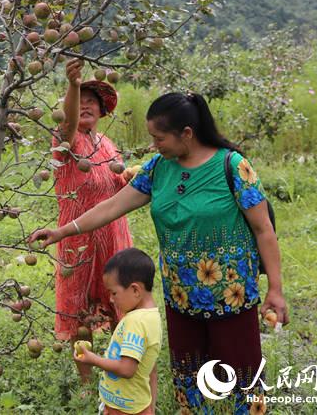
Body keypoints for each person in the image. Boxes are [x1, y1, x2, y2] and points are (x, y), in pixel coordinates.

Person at [31, 92, 287, 413]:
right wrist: (63, 231)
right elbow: (111, 206)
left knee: (240, 377)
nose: (155, 145)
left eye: (159, 138)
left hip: (231, 296)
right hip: (180, 296)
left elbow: (264, 230)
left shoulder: (233, 167)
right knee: (188, 378)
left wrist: (275, 289)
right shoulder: (158, 168)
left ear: (187, 134)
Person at [50, 59, 136, 383]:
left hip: (113, 237)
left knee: (119, 305)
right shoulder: (66, 144)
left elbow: (119, 184)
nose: (86, 106)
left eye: (92, 102)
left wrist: (128, 176)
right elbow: (68, 125)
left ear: (102, 111)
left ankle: (120, 372)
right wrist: (73, 85)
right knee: (79, 315)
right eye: (80, 101)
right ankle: (86, 383)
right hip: (78, 238)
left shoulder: (108, 145)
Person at [73, 248, 161, 415]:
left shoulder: (136, 322)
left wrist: (93, 359)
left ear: (135, 290)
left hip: (125, 410)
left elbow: (127, 369)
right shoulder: (150, 316)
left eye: (114, 293)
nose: (111, 299)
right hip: (130, 404)